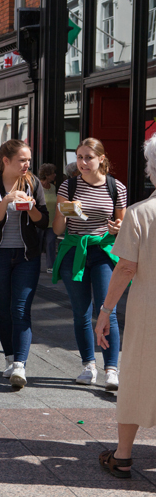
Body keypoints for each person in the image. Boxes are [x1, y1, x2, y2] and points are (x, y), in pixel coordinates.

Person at [94, 134, 156, 479]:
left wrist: (105, 311)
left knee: (136, 376)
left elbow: (126, 267)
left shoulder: (140, 213)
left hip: (150, 310)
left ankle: (123, 455)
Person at [53, 138, 126, 390]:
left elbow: (122, 227)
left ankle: (112, 369)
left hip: (104, 251)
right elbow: (57, 229)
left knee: (108, 310)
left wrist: (117, 229)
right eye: (79, 157)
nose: (83, 163)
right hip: (75, 251)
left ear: (101, 159)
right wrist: (65, 211)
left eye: (88, 157)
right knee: (81, 312)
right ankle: (88, 365)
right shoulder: (68, 185)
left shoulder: (116, 187)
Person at [0, 140, 49, 388]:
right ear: (6, 160)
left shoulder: (33, 183)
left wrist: (30, 209)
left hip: (26, 257)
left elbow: (43, 222)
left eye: (28, 160)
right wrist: (6, 200)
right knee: (5, 308)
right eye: (22, 160)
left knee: (20, 309)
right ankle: (9, 358)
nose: (27, 164)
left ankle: (20, 364)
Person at [38, 163, 58, 273]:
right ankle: (34, 264)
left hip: (52, 221)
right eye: (53, 173)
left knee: (50, 243)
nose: (55, 175)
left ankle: (51, 266)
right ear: (47, 174)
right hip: (40, 221)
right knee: (38, 244)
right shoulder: (37, 187)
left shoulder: (53, 188)